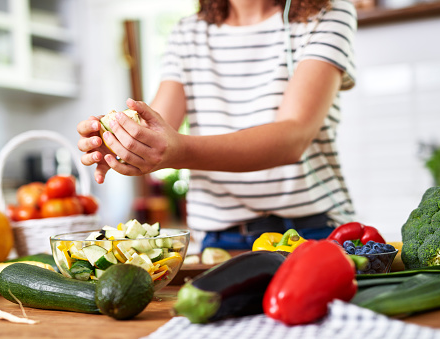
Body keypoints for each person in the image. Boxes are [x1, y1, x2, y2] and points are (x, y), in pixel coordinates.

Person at [77, 0, 358, 250]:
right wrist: (119, 139)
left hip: (315, 232)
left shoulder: (329, 12)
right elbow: (155, 130)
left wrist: (179, 151)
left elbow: (294, 137)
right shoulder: (188, 32)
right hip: (218, 240)